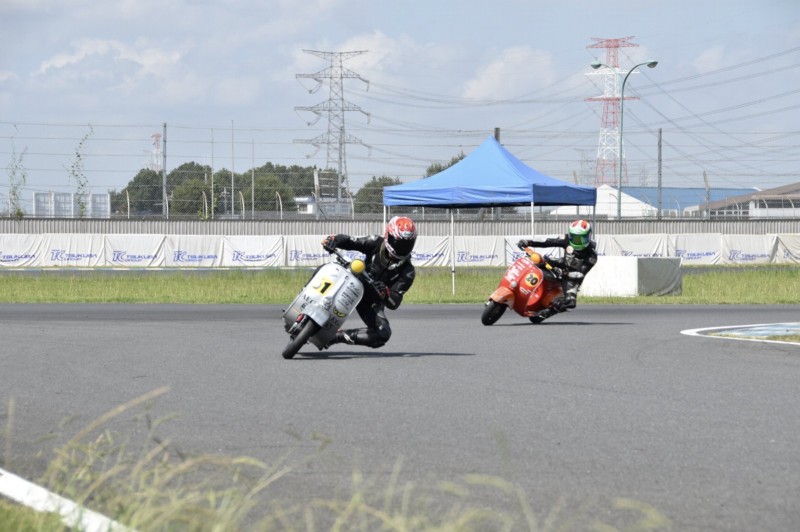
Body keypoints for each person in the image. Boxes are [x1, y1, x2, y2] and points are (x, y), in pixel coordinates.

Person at [321, 216, 417, 348]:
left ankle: (336, 336)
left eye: (407, 245)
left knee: (383, 333)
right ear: (388, 236)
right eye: (398, 243)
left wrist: (386, 293)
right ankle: (304, 296)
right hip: (354, 281)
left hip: (371, 301)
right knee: (328, 269)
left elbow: (395, 302)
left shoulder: (408, 272)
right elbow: (351, 241)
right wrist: (334, 240)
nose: (401, 248)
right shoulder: (375, 242)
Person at [517, 219, 597, 320]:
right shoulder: (567, 239)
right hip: (561, 264)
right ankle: (518, 281)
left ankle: (548, 312)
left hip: (572, 279)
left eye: (581, 239)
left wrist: (565, 273)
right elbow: (548, 242)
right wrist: (529, 242)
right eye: (575, 238)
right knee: (539, 260)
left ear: (588, 236)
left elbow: (581, 273)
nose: (577, 242)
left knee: (570, 303)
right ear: (570, 235)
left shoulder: (592, 255)